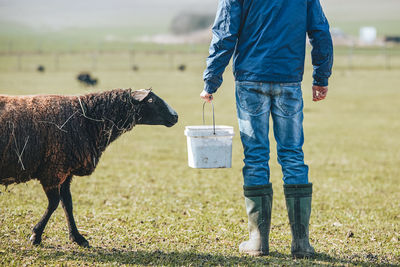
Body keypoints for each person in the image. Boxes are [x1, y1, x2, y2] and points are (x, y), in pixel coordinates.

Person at [200, 0, 333, 258]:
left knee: (256, 157)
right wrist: (321, 77)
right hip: (289, 81)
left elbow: (225, 33)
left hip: (250, 81)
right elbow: (320, 30)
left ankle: (258, 242)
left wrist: (211, 80)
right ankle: (302, 244)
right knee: (293, 156)